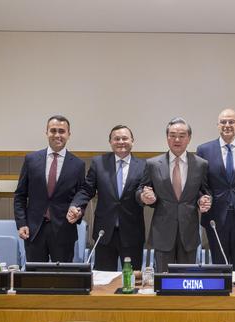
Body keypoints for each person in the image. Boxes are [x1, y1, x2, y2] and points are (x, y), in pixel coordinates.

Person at [137, 118, 212, 272]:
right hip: (162, 232)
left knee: (187, 282)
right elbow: (141, 190)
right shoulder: (153, 164)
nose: (177, 139)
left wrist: (204, 200)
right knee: (163, 282)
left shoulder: (201, 164)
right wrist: (144, 196)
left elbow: (204, 191)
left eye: (182, 135)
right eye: (172, 135)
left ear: (189, 138)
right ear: (167, 138)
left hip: (188, 233)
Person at [67, 125, 146, 271]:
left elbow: (142, 192)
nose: (121, 141)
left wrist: (144, 197)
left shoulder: (144, 165)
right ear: (110, 142)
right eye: (116, 138)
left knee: (134, 280)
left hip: (132, 233)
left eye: (125, 138)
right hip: (104, 233)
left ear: (132, 141)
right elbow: (86, 190)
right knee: (102, 280)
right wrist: (76, 205)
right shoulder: (99, 163)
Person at [14, 115, 85, 262]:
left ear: (68, 135)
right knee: (35, 279)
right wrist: (21, 224)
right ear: (46, 133)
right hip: (34, 231)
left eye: (61, 131)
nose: (57, 135)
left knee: (63, 280)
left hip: (64, 230)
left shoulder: (78, 164)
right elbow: (20, 195)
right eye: (53, 130)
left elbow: (81, 196)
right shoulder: (31, 160)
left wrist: (78, 212)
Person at [196, 108, 235, 271]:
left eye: (231, 121)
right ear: (217, 125)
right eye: (223, 122)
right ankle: (221, 296)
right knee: (219, 266)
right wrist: (203, 197)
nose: (227, 125)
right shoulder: (204, 150)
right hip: (215, 217)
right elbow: (200, 184)